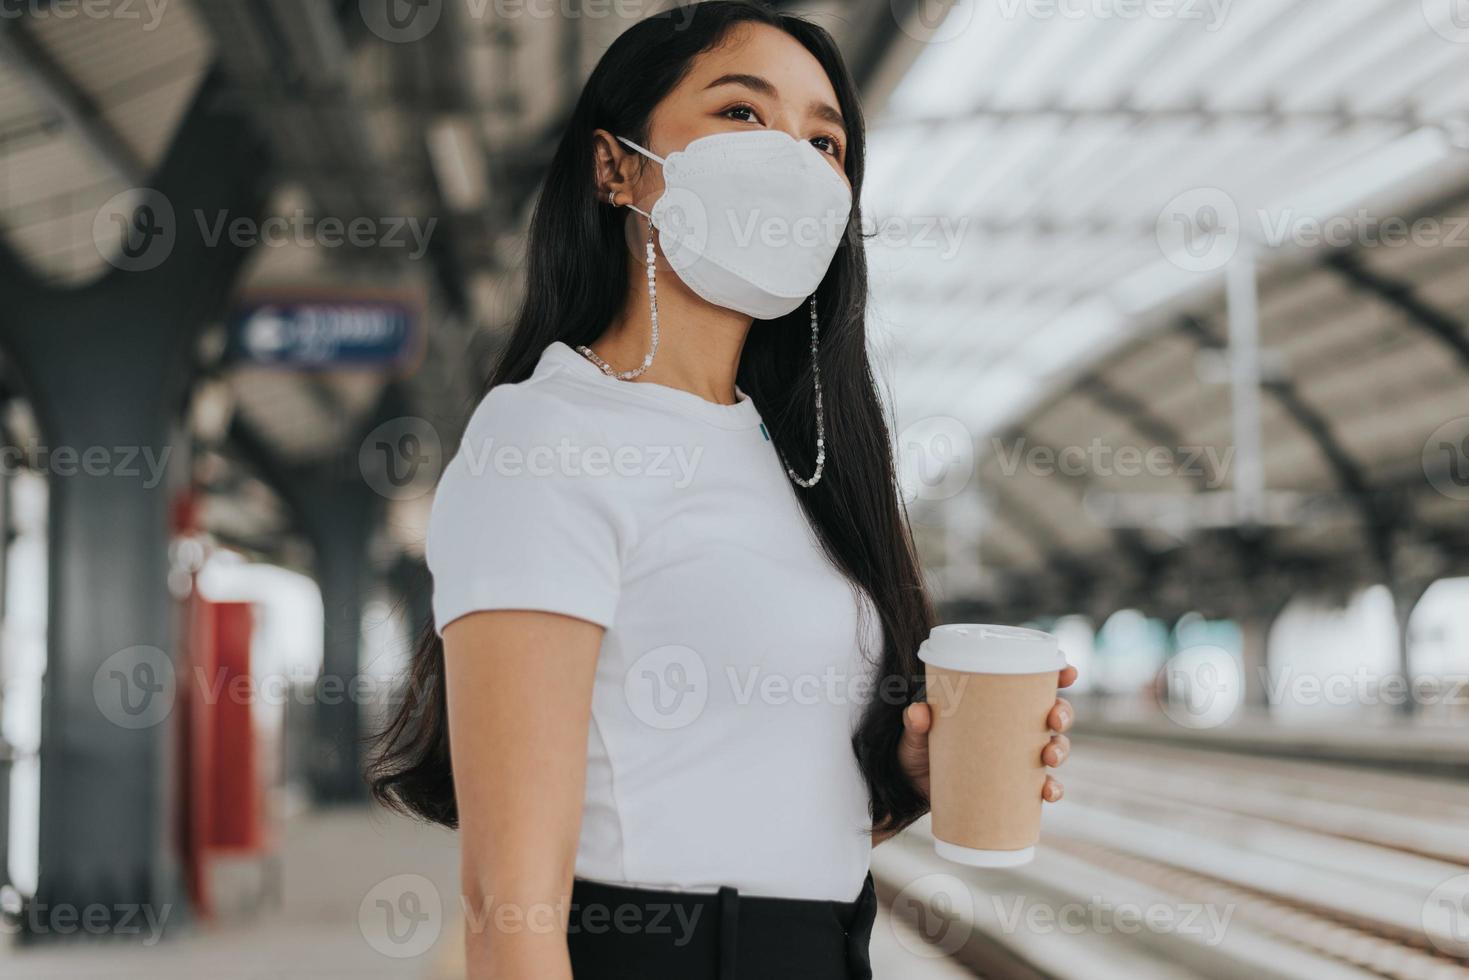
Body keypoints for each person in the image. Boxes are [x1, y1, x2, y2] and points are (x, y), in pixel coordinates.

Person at [368, 3, 1077, 976]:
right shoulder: (544, 436)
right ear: (614, 166)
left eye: (824, 139)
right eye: (742, 114)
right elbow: (508, 906)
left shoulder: (801, 461)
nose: (792, 158)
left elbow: (730, 802)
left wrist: (903, 777)